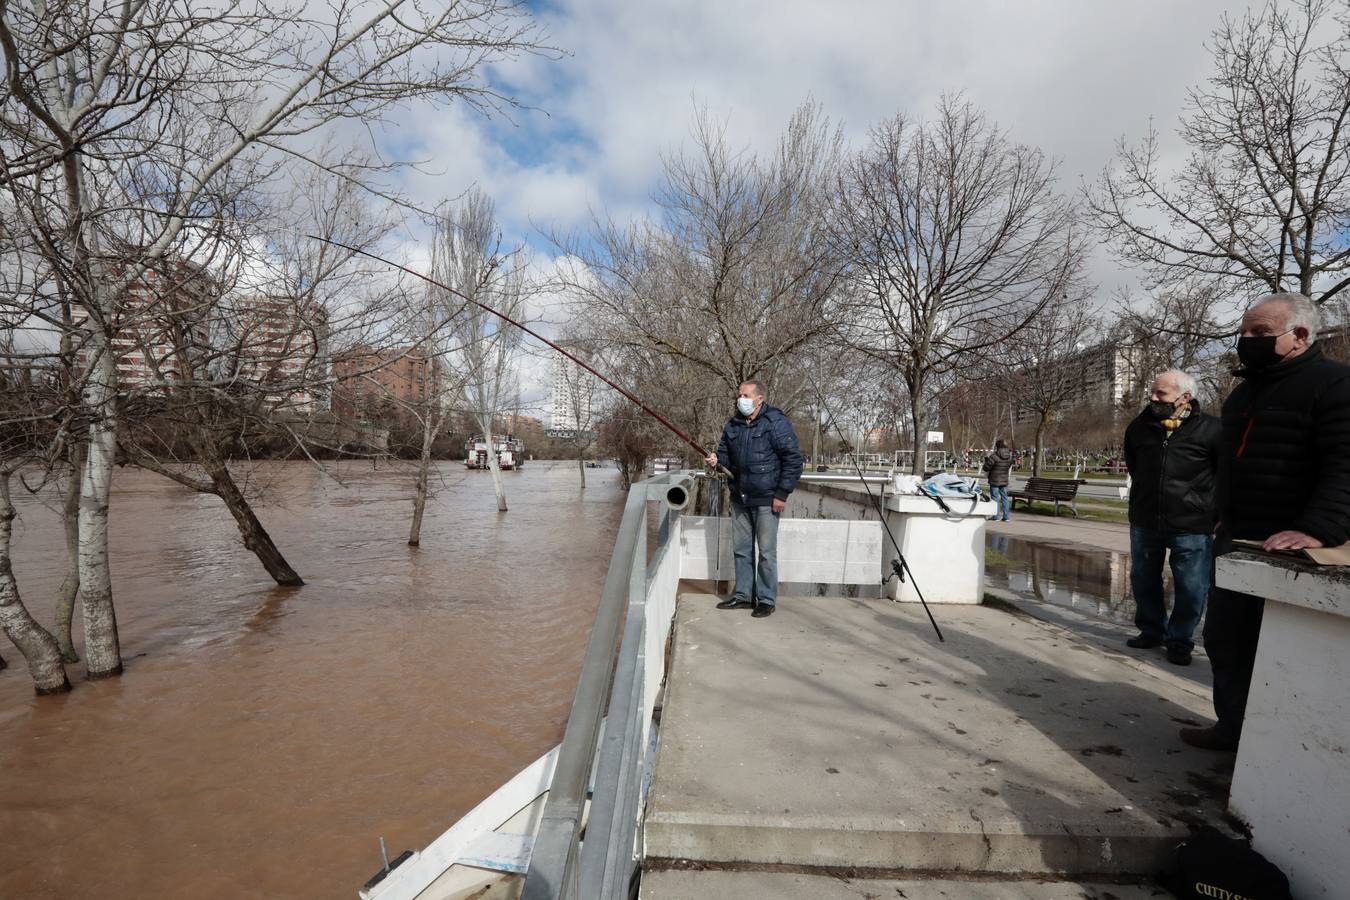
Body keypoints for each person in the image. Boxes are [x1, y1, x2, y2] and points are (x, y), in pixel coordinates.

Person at [1181, 293, 1350, 752]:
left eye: (1260, 333)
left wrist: (1321, 527)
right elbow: (1232, 465)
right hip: (1239, 540)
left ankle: (1275, 748)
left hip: (1294, 545)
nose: (1247, 341)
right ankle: (1233, 730)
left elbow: (1345, 463)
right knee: (1224, 640)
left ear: (1299, 336)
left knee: (1281, 651)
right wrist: (1221, 515)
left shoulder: (1335, 385)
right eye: (1245, 332)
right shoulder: (1242, 395)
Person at [1122, 370, 1221, 667]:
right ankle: (1152, 630)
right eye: (1152, 392)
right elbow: (1134, 466)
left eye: (1160, 394)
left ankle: (1179, 640)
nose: (1153, 398)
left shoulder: (1212, 430)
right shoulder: (1139, 427)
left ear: (1184, 398)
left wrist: (1215, 513)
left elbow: (1225, 474)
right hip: (1145, 520)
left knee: (1191, 587)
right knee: (1143, 581)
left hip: (1191, 524)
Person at [704, 380, 804, 618]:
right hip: (740, 496)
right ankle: (743, 596)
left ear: (759, 399)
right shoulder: (733, 424)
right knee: (741, 549)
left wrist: (781, 494)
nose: (741, 400)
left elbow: (793, 460)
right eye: (740, 395)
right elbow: (726, 455)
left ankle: (766, 599)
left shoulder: (776, 423)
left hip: (767, 499)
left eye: (746, 395)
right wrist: (717, 460)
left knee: (767, 552)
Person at [982, 440, 1014, 521]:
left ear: (997, 446)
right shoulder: (1009, 456)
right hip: (1004, 479)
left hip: (994, 479)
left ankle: (996, 516)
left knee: (995, 498)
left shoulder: (994, 456)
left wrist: (986, 461)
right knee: (1005, 498)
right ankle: (1006, 517)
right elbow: (1009, 465)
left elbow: (986, 468)